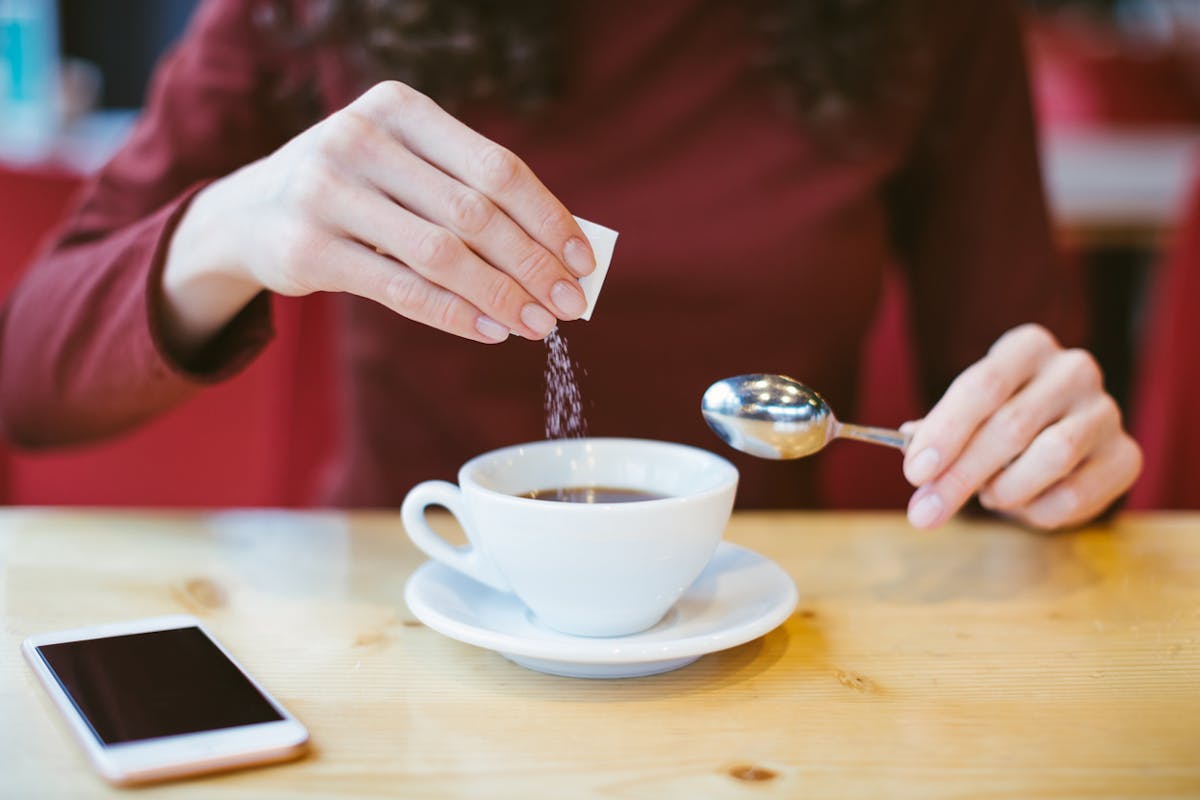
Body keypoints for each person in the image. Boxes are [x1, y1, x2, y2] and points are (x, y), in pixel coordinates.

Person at [0, 0, 1141, 529]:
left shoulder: (928, 23)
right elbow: (29, 377)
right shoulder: (313, 9)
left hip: (766, 629)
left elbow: (1014, 401)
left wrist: (1049, 454)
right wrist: (236, 225)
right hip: (402, 612)